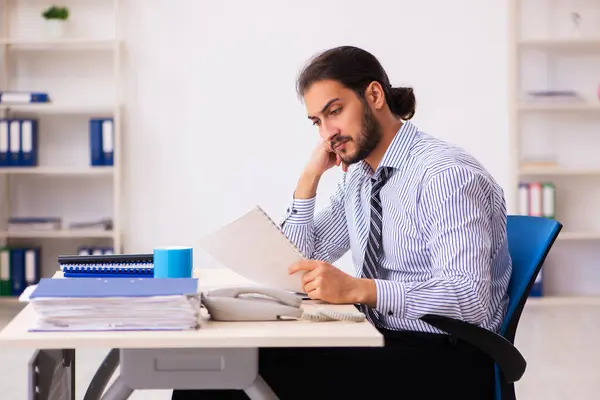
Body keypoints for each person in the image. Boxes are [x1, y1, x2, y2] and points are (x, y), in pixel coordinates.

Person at [173, 45, 511, 399]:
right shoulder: (360, 177)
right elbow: (294, 268)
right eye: (317, 122)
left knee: (217, 380)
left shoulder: (445, 175)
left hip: (445, 357)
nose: (327, 133)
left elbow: (468, 298)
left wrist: (359, 289)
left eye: (335, 111)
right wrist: (309, 179)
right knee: (213, 367)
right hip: (382, 339)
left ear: (374, 95)